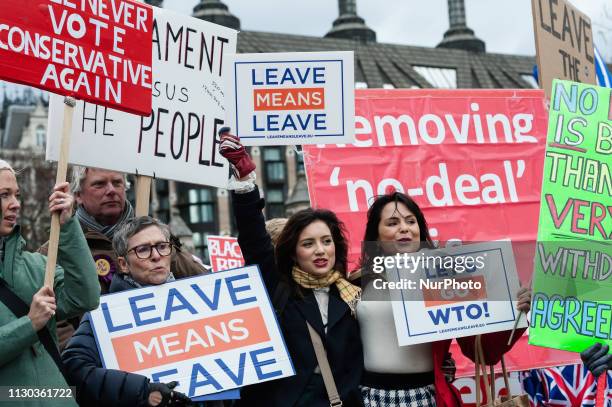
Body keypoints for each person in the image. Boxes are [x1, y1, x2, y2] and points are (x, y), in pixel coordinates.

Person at [219, 128, 364, 407]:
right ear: (293, 253)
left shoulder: (353, 292)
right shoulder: (280, 288)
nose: (320, 250)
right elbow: (254, 239)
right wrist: (245, 181)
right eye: (308, 244)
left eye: (326, 241)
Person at [357, 192, 531, 407]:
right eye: (392, 223)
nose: (404, 228)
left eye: (411, 221)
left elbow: (483, 351)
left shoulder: (443, 280)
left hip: (427, 396)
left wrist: (513, 311)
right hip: (367, 398)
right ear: (376, 235)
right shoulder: (356, 283)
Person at [43, 166, 209, 349]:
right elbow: (51, 318)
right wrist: (88, 356)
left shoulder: (158, 240)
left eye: (117, 183)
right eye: (99, 184)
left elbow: (208, 288)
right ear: (78, 196)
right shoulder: (56, 251)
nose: (111, 190)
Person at [61, 216, 192, 407]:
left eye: (162, 246)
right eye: (143, 249)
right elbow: (75, 369)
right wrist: (143, 391)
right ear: (123, 264)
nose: (156, 255)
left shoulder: (196, 299)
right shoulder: (103, 314)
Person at [0, 159, 99, 406]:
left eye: (17, 195)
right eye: (4, 195)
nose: (15, 204)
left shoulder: (36, 265)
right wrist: (29, 324)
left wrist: (68, 224)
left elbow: (85, 297)